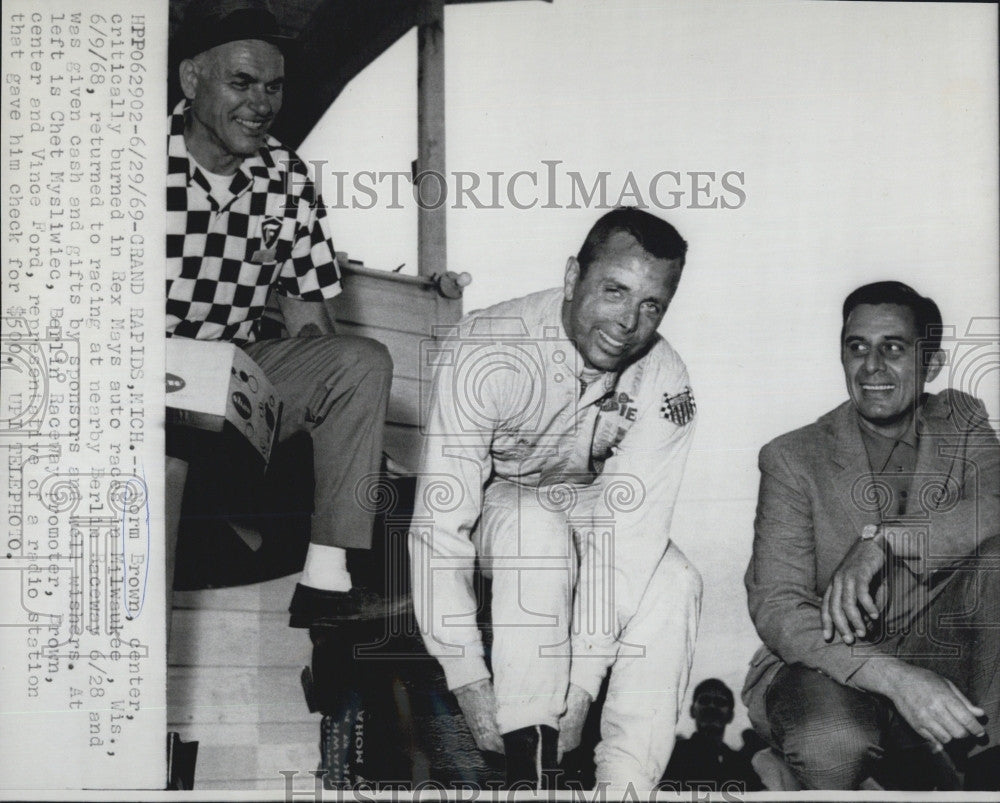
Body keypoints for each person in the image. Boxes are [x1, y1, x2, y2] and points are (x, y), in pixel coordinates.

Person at [410, 207, 703, 790]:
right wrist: (465, 672)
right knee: (533, 519)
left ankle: (625, 787)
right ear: (572, 278)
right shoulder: (486, 348)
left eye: (652, 306)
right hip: (503, 508)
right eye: (614, 291)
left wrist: (583, 684)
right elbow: (440, 523)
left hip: (594, 516)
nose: (628, 323)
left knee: (676, 580)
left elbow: (632, 534)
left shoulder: (667, 378)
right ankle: (531, 767)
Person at [165, 0, 393, 715]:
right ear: (192, 78)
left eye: (275, 87)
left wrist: (349, 438)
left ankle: (326, 597)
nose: (262, 103)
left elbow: (311, 324)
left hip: (231, 377)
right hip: (133, 372)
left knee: (364, 363)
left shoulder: (285, 178)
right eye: (242, 82)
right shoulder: (132, 158)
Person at [743, 280, 1000, 790]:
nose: (872, 366)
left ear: (930, 363)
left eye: (894, 348)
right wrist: (896, 679)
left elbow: (994, 508)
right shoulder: (791, 457)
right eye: (856, 346)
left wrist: (884, 538)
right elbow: (778, 605)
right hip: (830, 665)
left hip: (946, 653)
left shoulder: (961, 419)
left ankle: (987, 772)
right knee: (834, 744)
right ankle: (826, 768)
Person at [660, 678, 762, 792]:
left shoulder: (741, 765)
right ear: (692, 710)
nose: (712, 706)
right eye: (704, 700)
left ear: (730, 716)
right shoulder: (672, 755)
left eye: (720, 702)